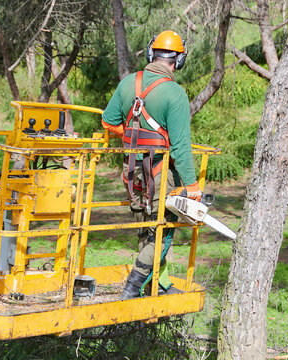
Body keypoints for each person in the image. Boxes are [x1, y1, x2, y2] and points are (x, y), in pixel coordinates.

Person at [101, 30, 202, 300]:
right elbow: (180, 147)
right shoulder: (175, 93)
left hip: (132, 172)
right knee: (162, 232)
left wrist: (135, 137)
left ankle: (159, 284)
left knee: (147, 228)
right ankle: (133, 286)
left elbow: (109, 123)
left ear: (151, 53)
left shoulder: (127, 83)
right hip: (159, 173)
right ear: (178, 60)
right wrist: (191, 185)